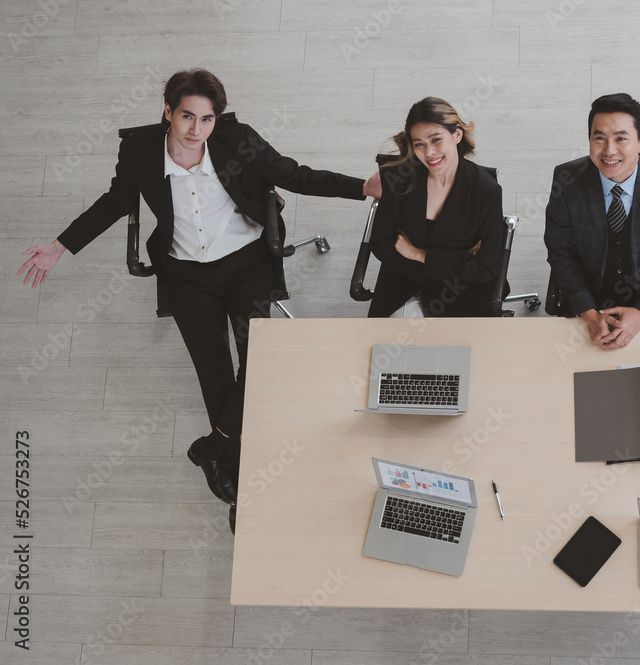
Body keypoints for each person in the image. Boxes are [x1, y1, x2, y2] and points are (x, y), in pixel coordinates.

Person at [17, 69, 380, 532]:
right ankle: (238, 478)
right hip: (187, 274)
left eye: (207, 119)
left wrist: (359, 187)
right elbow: (114, 202)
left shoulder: (237, 140)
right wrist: (61, 246)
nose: (196, 130)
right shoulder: (141, 150)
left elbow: (295, 175)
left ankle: (213, 448)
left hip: (246, 264)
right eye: (187, 116)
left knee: (259, 365)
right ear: (167, 111)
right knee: (215, 376)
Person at [544, 93, 640, 350]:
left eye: (621, 138)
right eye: (599, 138)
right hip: (588, 314)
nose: (609, 151)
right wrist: (590, 314)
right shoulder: (567, 179)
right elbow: (561, 254)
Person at [367, 97, 506, 318]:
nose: (429, 153)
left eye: (436, 140)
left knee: (449, 350)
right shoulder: (400, 179)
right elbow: (382, 244)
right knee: (393, 348)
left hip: (460, 293)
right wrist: (455, 260)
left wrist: (418, 254)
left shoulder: (485, 190)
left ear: (457, 135)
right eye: (419, 144)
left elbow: (486, 267)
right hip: (405, 286)